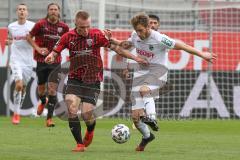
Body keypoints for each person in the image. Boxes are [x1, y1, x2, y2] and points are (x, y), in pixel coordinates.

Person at [106, 13, 217, 151]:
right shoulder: (135, 35)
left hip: (158, 72)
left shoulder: (159, 38)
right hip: (140, 73)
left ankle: (152, 117)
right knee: (135, 117)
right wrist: (112, 40)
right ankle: (147, 136)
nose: (139, 33)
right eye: (137, 30)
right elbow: (127, 43)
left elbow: (182, 46)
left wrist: (202, 54)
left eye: (141, 30)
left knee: (144, 90)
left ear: (148, 27)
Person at [45, 10, 148, 152]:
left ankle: (90, 130)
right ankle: (80, 144)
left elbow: (116, 49)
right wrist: (51, 56)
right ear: (75, 24)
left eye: (88, 26)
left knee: (87, 114)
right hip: (75, 79)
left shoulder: (96, 35)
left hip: (92, 79)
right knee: (72, 109)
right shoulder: (67, 37)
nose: (86, 30)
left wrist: (135, 58)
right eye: (82, 27)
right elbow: (55, 51)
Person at [27, 3, 69, 127]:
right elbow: (29, 37)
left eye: (55, 9)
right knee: (41, 89)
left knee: (52, 89)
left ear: (59, 12)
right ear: (48, 11)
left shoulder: (64, 27)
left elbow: (67, 42)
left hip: (56, 62)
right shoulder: (40, 24)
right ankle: (42, 101)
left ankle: (49, 119)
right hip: (41, 61)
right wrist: (38, 48)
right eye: (51, 9)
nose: (53, 11)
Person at [7, 3, 35, 124]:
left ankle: (18, 111)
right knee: (18, 84)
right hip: (16, 59)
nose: (22, 11)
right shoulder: (11, 26)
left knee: (23, 87)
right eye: (19, 9)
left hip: (28, 61)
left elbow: (37, 40)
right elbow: (10, 39)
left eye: (24, 9)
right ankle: (16, 113)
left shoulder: (32, 26)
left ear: (27, 13)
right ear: (17, 12)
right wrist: (8, 42)